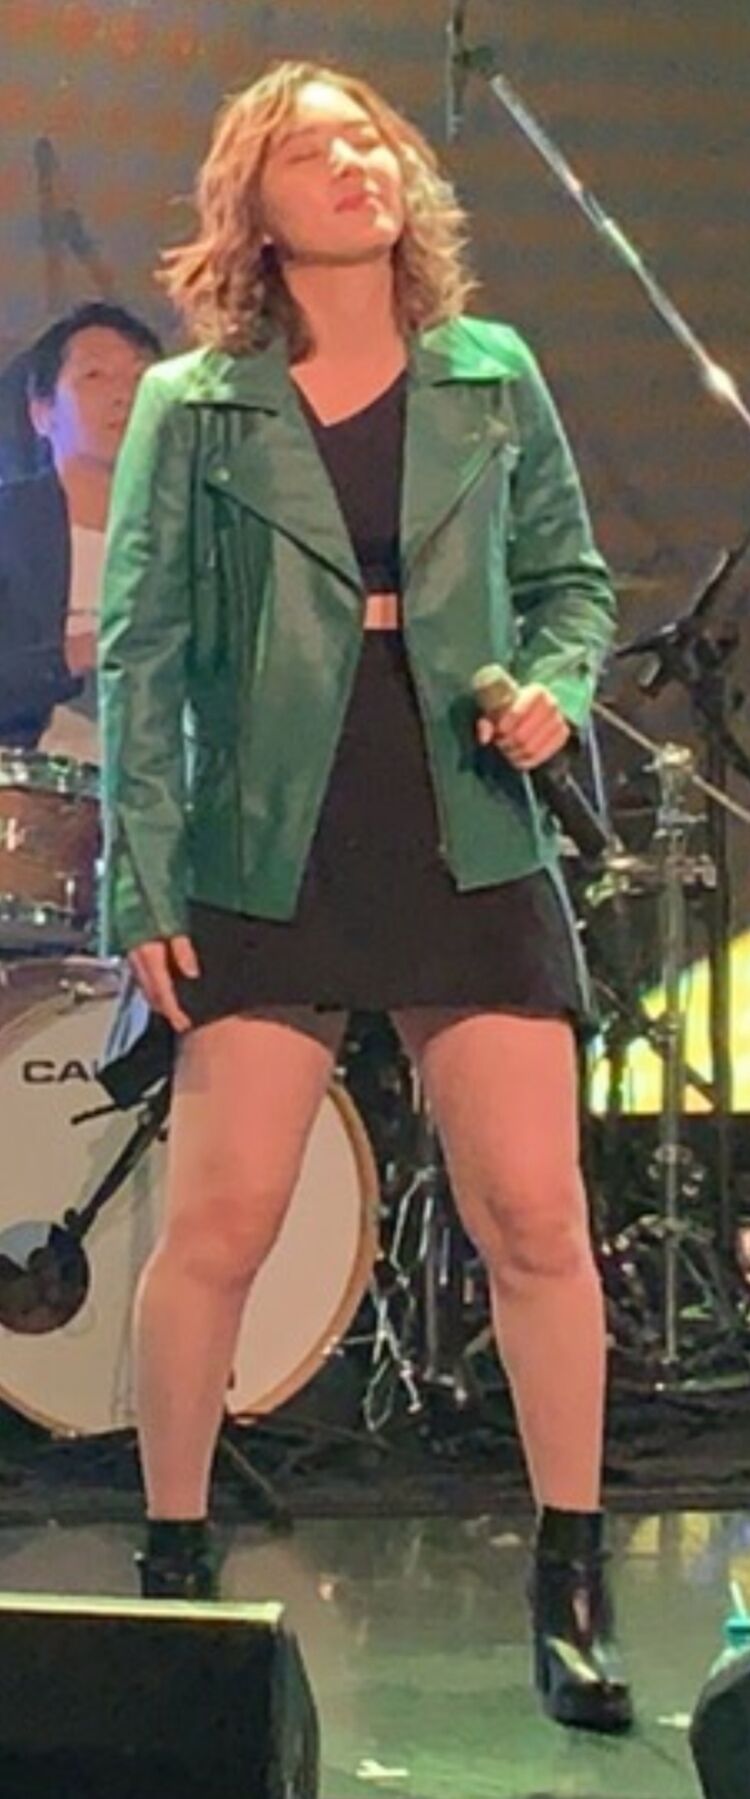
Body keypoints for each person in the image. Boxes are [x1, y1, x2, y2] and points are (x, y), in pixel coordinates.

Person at [99, 60, 632, 1733]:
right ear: (251, 206)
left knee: (535, 1215)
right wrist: (143, 871)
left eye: (371, 141)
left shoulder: (492, 373)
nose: (356, 165)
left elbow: (570, 583)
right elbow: (142, 654)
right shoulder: (198, 403)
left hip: (462, 812)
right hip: (271, 827)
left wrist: (553, 688)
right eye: (314, 149)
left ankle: (571, 1577)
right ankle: (173, 1565)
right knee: (222, 1222)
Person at [0, 301, 161, 757]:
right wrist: (77, 655)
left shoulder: (198, 529)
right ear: (42, 413)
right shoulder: (9, 526)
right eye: (95, 376)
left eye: (141, 379)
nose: (124, 395)